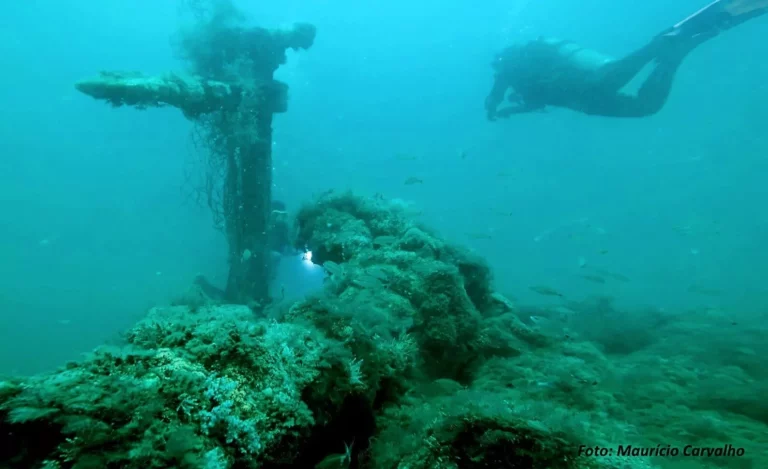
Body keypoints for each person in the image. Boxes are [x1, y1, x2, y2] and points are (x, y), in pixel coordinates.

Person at [485, 0, 768, 119]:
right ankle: (674, 53)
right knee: (647, 106)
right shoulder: (524, 81)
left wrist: (495, 110)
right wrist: (510, 111)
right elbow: (529, 102)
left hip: (586, 87)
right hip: (589, 98)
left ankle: (669, 42)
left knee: (639, 65)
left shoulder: (510, 71)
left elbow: (494, 98)